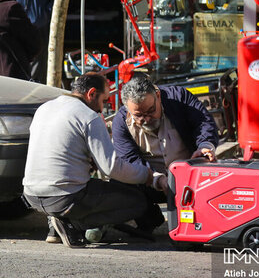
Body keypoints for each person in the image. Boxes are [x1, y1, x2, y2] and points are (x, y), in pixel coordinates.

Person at [23, 73, 167, 248]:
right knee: (137, 202)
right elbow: (112, 168)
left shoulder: (45, 108)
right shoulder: (88, 116)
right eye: (104, 100)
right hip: (65, 196)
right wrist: (148, 176)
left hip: (31, 195)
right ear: (91, 93)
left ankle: (56, 224)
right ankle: (73, 224)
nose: (102, 108)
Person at [112, 74, 220, 177]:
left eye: (151, 110)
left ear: (158, 96)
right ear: (128, 109)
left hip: (191, 173)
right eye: (139, 115)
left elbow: (203, 122)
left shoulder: (179, 98)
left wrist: (204, 146)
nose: (147, 119)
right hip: (149, 184)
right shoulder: (121, 123)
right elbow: (130, 160)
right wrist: (155, 179)